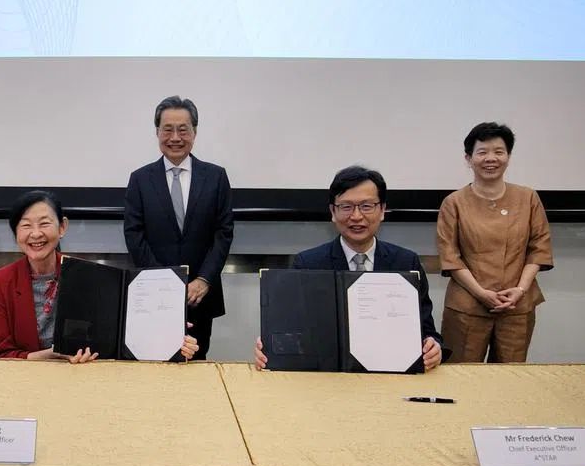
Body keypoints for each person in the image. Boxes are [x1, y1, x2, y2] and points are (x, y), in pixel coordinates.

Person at [254, 166, 443, 371]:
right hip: (329, 376)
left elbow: (425, 329)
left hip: (391, 375)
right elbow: (292, 330)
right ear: (333, 212)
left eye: (366, 206)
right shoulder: (308, 263)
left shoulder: (406, 262)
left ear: (382, 211)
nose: (356, 216)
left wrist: (433, 346)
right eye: (346, 206)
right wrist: (272, 346)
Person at [0, 191, 199, 361]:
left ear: (62, 227)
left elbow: (116, 337)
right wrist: (50, 356)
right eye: (25, 225)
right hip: (24, 382)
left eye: (44, 223)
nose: (35, 233)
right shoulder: (1, 282)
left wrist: (167, 331)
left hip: (81, 377)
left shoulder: (90, 276)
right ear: (16, 234)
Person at [123, 96, 234, 359]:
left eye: (183, 129)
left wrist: (204, 280)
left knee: (197, 361)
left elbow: (224, 232)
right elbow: (134, 234)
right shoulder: (140, 179)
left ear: (194, 132)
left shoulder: (216, 177)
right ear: (157, 132)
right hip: (153, 294)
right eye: (167, 129)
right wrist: (164, 282)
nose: (175, 137)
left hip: (200, 294)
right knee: (152, 361)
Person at [436, 122, 553, 362]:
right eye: (482, 152)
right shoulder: (454, 202)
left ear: (508, 157)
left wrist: (520, 290)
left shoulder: (528, 198)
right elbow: (450, 255)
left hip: (516, 307)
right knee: (461, 377)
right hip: (467, 307)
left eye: (499, 152)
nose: (491, 158)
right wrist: (481, 293)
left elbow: (539, 248)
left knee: (510, 380)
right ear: (469, 158)